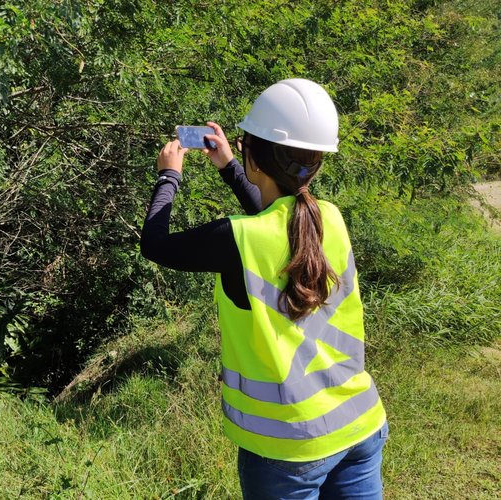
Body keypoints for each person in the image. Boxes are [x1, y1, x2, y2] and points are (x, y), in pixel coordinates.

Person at [140, 79, 388, 499]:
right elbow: (280, 216)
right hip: (360, 423)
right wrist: (231, 168)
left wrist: (169, 176)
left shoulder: (235, 239)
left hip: (288, 446)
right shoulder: (329, 218)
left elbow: (155, 244)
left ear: (254, 153)